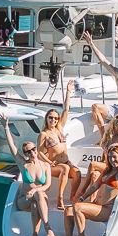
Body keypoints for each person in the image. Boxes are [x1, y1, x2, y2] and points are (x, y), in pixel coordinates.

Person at [0, 113, 56, 236]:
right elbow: (12, 147)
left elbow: (47, 185)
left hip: (39, 198)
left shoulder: (45, 165)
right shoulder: (23, 164)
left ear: (36, 149)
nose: (32, 153)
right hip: (24, 199)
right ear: (25, 154)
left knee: (37, 200)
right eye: (28, 151)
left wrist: (35, 189)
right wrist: (6, 127)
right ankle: (47, 227)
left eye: (33, 149)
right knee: (37, 197)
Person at [37, 81, 82, 210]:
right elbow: (39, 152)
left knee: (77, 173)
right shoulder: (43, 134)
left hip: (66, 161)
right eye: (51, 118)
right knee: (65, 169)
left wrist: (68, 92)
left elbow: (66, 109)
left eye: (56, 118)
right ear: (46, 118)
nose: (54, 120)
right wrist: (48, 162)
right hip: (53, 165)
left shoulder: (59, 128)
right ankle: (60, 198)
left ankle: (73, 197)